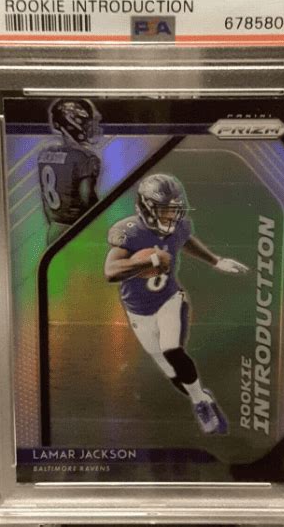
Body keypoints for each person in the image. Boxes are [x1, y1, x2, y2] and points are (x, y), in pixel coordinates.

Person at [104, 173, 248, 434]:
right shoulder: (130, 232)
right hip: (137, 309)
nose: (172, 216)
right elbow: (110, 271)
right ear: (147, 208)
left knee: (171, 349)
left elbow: (185, 241)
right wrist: (150, 261)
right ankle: (201, 397)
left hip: (169, 299)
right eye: (165, 210)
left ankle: (199, 402)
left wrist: (216, 261)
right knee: (169, 369)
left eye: (175, 209)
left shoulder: (178, 227)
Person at [38, 98, 102, 244]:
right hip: (76, 231)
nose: (90, 128)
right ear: (73, 123)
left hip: (54, 228)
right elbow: (87, 198)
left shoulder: (45, 154)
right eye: (86, 123)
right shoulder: (84, 157)